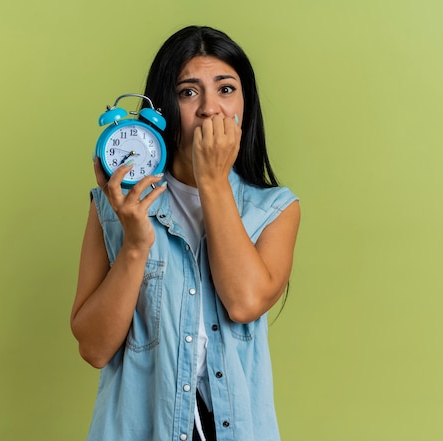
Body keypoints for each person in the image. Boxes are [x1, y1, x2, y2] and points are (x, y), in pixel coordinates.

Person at [71, 25, 301, 441]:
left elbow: (245, 302)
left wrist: (211, 181)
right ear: (164, 107)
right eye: (188, 92)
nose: (210, 108)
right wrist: (135, 245)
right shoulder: (112, 204)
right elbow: (93, 348)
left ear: (245, 105)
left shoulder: (275, 209)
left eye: (226, 89)